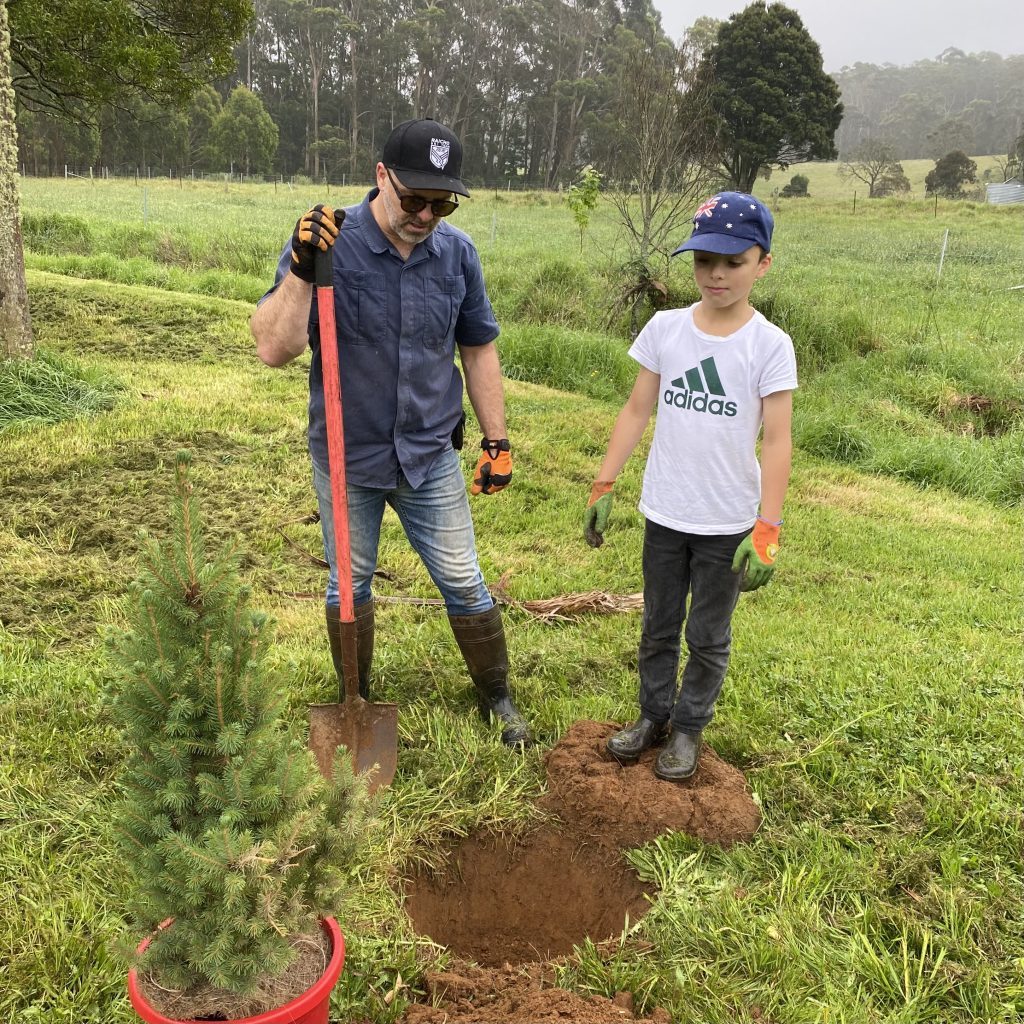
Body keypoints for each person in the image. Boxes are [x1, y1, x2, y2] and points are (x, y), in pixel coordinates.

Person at [250, 118, 531, 748]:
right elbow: (274, 346)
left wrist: (497, 439)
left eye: (442, 202)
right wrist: (301, 266)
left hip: (430, 453)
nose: (427, 214)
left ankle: (498, 698)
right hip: (348, 454)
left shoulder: (457, 254)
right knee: (348, 582)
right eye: (413, 198)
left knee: (463, 578)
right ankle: (358, 704)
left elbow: (478, 348)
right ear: (382, 178)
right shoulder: (328, 244)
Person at [583, 191, 796, 781]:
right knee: (657, 623)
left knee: (707, 634)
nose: (717, 274)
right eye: (704, 261)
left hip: (726, 524)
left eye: (733, 261)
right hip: (665, 512)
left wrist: (768, 526)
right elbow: (635, 410)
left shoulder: (769, 346)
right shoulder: (666, 329)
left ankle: (689, 728)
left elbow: (777, 440)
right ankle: (653, 717)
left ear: (763, 263)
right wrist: (604, 484)